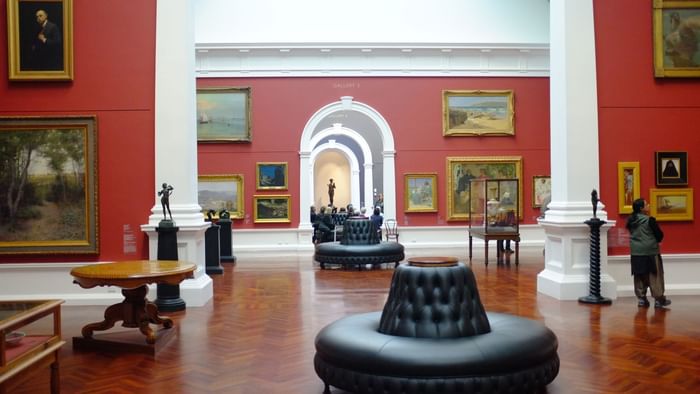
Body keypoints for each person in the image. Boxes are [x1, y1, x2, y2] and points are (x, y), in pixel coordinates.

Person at [626, 198, 671, 308]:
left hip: (636, 252)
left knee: (639, 275)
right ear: (642, 208)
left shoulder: (631, 221)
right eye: (646, 204)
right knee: (654, 275)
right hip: (650, 251)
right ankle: (658, 299)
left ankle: (642, 299)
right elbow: (660, 235)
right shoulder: (650, 220)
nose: (649, 205)